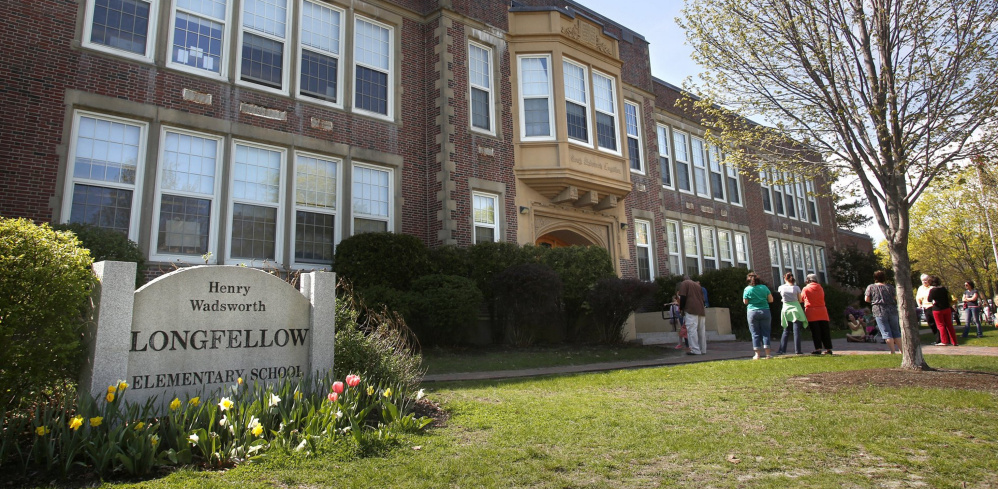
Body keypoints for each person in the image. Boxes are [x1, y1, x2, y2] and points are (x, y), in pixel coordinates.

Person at [865, 270, 901, 354]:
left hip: (879, 310)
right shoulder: (890, 287)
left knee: (886, 331)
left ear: (875, 278)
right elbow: (895, 298)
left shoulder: (871, 287)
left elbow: (866, 299)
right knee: (896, 331)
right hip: (892, 310)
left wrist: (874, 300)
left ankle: (892, 351)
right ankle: (902, 350)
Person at [743, 272, 774, 359]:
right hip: (765, 311)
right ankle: (768, 354)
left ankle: (757, 354)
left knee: (755, 333)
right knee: (766, 332)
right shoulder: (764, 287)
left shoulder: (747, 289)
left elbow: (745, 302)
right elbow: (771, 300)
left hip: (752, 312)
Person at [801, 274, 833, 355]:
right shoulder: (820, 288)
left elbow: (801, 299)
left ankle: (818, 348)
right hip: (822, 311)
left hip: (812, 311)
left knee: (815, 332)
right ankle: (828, 349)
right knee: (825, 331)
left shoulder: (806, 288)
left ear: (808, 280)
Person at [777, 272, 807, 355]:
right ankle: (798, 350)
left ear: (785, 279)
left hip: (786, 309)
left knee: (786, 330)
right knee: (796, 331)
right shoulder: (796, 288)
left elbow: (782, 297)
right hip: (796, 309)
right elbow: (800, 300)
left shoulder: (781, 288)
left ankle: (782, 350)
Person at [678, 275, 707, 355]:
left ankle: (695, 350)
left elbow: (683, 297)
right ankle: (703, 349)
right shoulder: (697, 285)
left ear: (683, 280)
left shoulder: (684, 283)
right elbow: (703, 299)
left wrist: (681, 308)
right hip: (701, 309)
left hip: (690, 309)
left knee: (692, 330)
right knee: (701, 330)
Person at [927, 276, 958, 346]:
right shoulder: (944, 289)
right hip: (947, 308)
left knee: (941, 325)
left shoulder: (933, 290)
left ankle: (944, 341)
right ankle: (954, 341)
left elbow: (929, 299)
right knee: (949, 325)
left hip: (937, 309)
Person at [916, 274, 940, 344]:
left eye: (926, 280)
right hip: (925, 307)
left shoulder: (932, 287)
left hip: (933, 307)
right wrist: (919, 304)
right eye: (923, 280)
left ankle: (939, 339)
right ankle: (937, 337)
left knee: (937, 323)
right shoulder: (920, 288)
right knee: (931, 323)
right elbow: (918, 297)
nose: (924, 282)